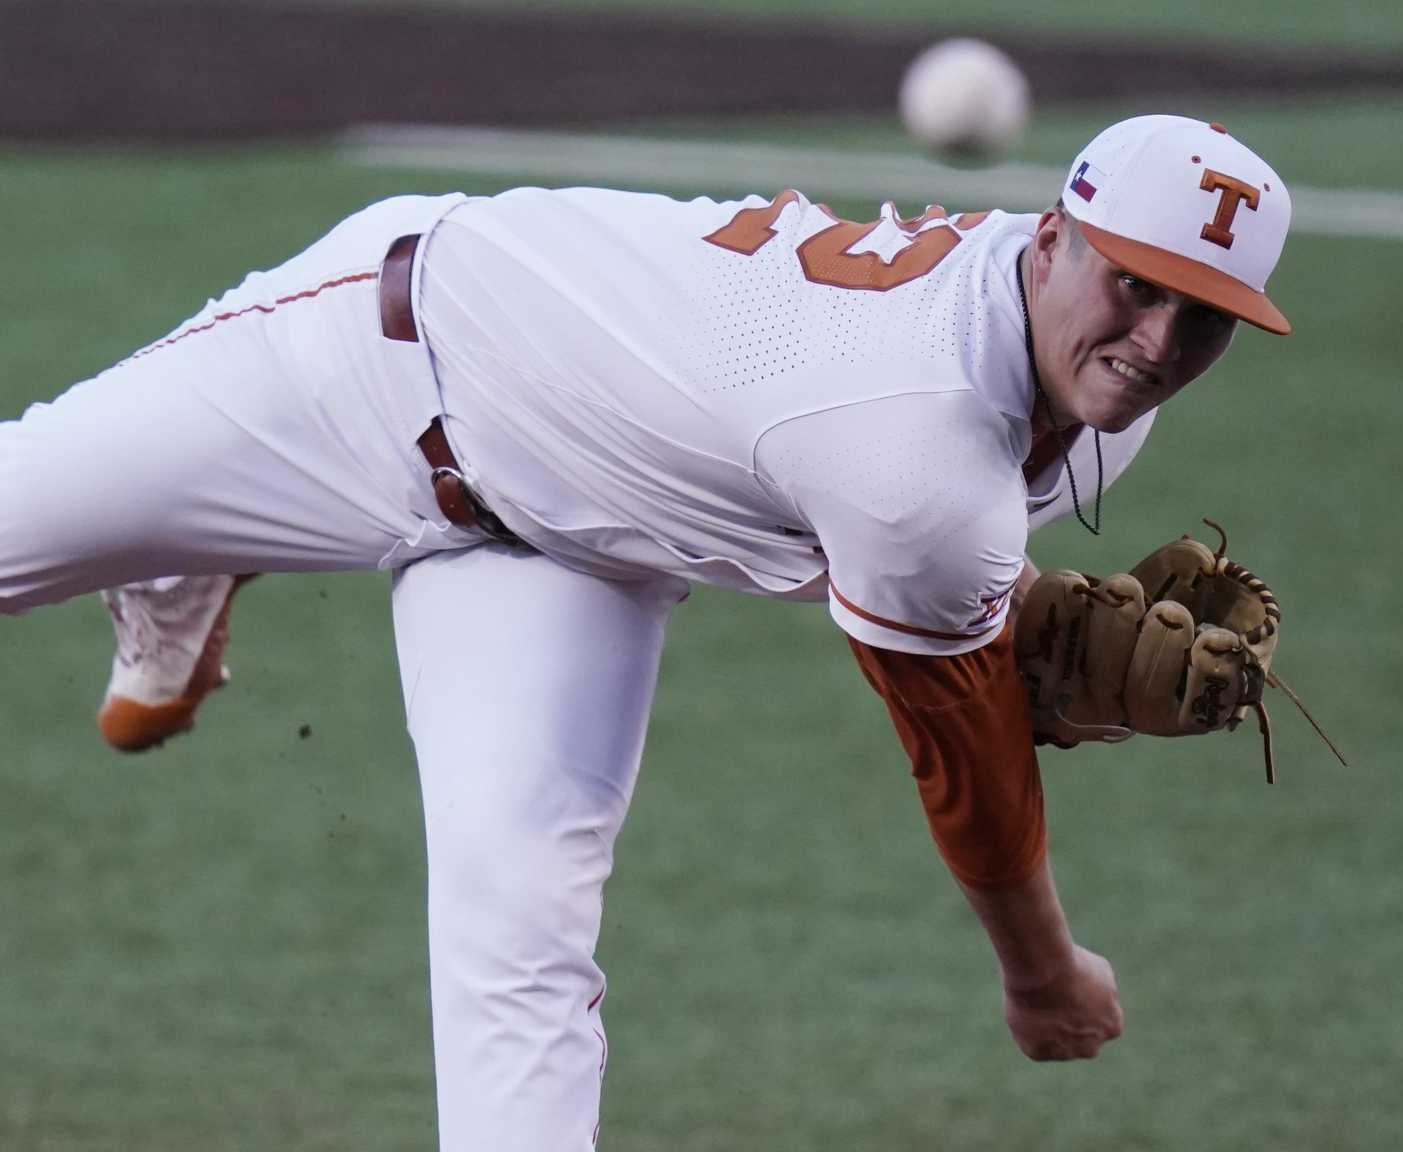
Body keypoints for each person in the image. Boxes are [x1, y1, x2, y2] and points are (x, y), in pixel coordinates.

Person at [1, 114, 1292, 1150]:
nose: (1156, 345)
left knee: (523, 935)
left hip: (572, 548)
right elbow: (960, 760)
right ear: (1056, 237)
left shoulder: (1075, 389)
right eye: (1137, 286)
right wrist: (1044, 970)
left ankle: (178, 536)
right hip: (365, 370)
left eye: (1205, 315)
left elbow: (850, 509)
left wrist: (989, 608)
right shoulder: (916, 434)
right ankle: (193, 533)